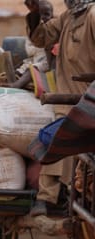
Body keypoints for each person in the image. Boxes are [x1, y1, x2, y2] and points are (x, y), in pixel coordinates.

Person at [26, 0, 95, 216]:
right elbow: (41, 38)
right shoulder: (70, 16)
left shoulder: (93, 15)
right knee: (56, 146)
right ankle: (50, 200)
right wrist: (35, 13)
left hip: (87, 102)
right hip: (67, 99)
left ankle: (54, 199)